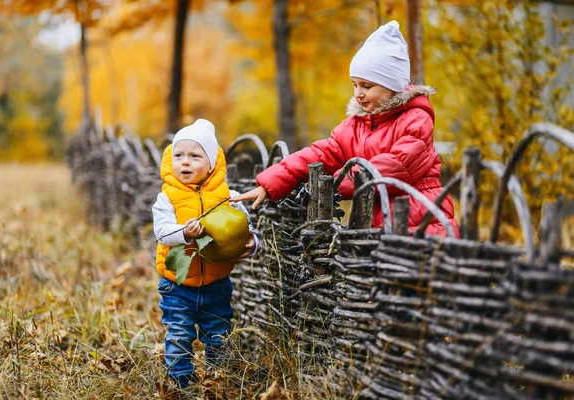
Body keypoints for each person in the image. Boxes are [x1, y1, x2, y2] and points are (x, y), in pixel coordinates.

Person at [233, 20, 459, 237]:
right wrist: (273, 180)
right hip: (375, 220)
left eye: (367, 86)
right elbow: (321, 154)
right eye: (355, 85)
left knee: (418, 275)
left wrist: (334, 184)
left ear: (393, 86)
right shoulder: (355, 126)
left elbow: (396, 166)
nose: (358, 93)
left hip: (420, 218)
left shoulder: (415, 120)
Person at [152, 118, 258, 388]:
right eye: (178, 155)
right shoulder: (167, 197)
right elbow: (162, 232)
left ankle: (217, 381)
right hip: (177, 284)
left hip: (216, 284)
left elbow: (244, 226)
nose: (184, 162)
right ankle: (180, 384)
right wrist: (185, 233)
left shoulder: (228, 196)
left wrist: (252, 242)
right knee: (178, 334)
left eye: (194, 156)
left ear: (212, 164)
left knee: (219, 335)